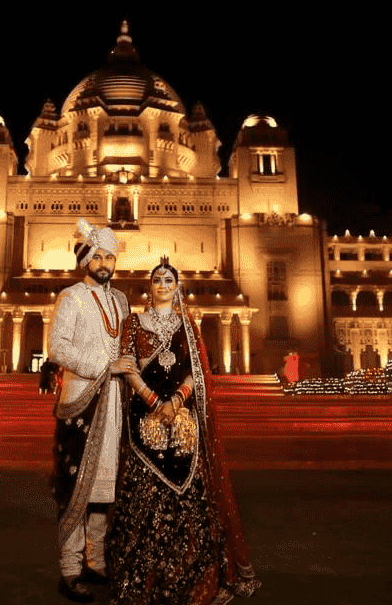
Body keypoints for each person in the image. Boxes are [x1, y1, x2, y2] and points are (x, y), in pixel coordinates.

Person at [107, 258, 260, 604]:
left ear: (177, 286)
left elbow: (196, 371)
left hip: (182, 420)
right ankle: (143, 576)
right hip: (144, 420)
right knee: (143, 498)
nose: (163, 284)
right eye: (157, 279)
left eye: (169, 279)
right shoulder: (132, 323)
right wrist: (151, 400)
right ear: (149, 287)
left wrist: (175, 403)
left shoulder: (187, 325)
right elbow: (128, 365)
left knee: (188, 497)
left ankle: (187, 575)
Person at [50, 219, 136, 603]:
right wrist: (105, 363)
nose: (103, 262)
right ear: (85, 260)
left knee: (104, 489)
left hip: (117, 403)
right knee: (76, 488)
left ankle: (95, 562)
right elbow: (58, 349)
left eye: (109, 256)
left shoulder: (121, 301)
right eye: (96, 256)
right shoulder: (70, 297)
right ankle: (69, 569)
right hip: (83, 401)